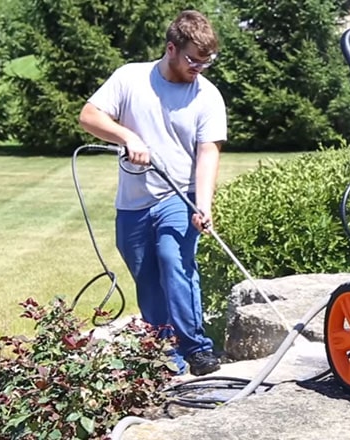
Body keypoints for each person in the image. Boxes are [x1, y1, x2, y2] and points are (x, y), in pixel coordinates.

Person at [78, 10, 226, 376]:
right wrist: (128, 136)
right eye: (194, 60)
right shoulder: (130, 78)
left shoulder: (207, 96)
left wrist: (202, 205)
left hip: (179, 193)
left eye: (208, 61)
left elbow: (208, 151)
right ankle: (166, 353)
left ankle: (197, 349)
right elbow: (89, 116)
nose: (200, 68)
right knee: (146, 277)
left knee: (174, 260)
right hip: (132, 202)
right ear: (171, 48)